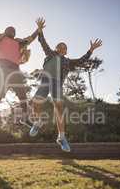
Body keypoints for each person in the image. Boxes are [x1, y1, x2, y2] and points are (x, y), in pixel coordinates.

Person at [0, 9, 45, 147]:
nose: (12, 31)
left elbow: (30, 38)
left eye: (14, 30)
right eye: (9, 29)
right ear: (5, 31)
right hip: (3, 71)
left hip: (16, 72)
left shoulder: (19, 43)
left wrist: (39, 29)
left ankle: (25, 118)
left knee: (24, 99)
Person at [30, 18, 102, 152]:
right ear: (56, 49)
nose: (62, 48)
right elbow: (43, 43)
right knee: (35, 103)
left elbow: (81, 61)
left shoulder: (68, 62)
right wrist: (40, 31)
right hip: (45, 80)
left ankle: (61, 137)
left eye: (65, 47)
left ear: (66, 51)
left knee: (59, 107)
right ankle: (38, 121)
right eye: (60, 46)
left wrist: (90, 50)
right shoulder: (50, 54)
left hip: (57, 83)